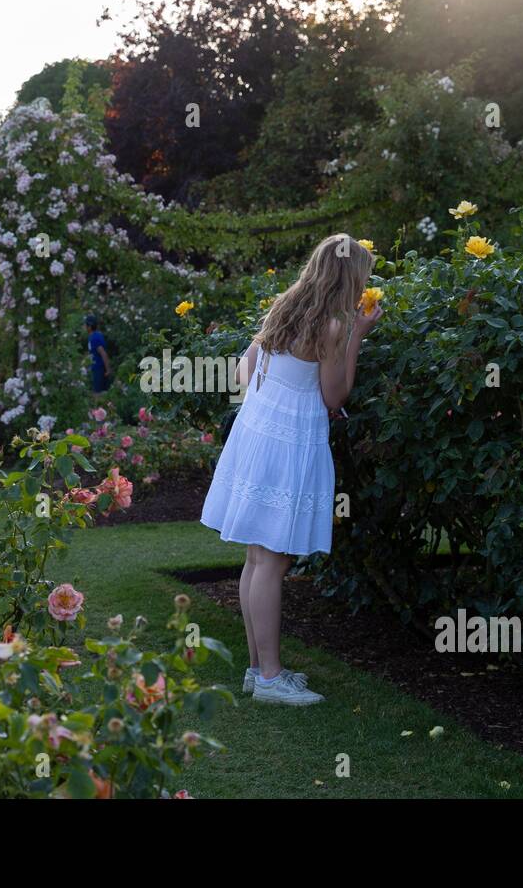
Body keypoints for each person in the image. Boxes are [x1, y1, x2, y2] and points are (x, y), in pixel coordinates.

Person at [200, 234, 380, 706]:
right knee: (273, 562)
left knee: (257, 559)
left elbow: (244, 372)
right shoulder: (334, 324)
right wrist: (359, 333)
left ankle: (258, 670)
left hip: (258, 432)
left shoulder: (284, 307)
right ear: (349, 277)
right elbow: (334, 396)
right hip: (290, 440)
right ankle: (270, 678)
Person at [85, 315, 111, 393]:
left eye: (86, 325)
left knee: (98, 393)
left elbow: (103, 353)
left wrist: (108, 369)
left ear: (89, 326)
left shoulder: (95, 338)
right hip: (95, 368)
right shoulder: (93, 336)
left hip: (99, 368)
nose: (84, 326)